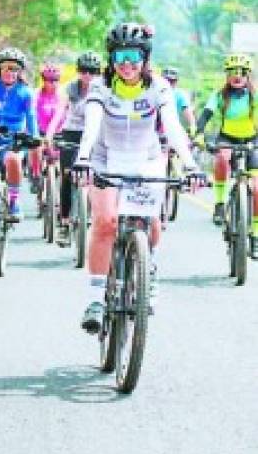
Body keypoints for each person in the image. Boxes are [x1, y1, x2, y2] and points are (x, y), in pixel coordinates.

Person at [75, 23, 199, 333]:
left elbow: (171, 126)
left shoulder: (159, 87)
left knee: (152, 223)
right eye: (119, 56)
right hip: (105, 159)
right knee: (105, 223)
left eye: (133, 56)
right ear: (111, 58)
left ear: (144, 57)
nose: (126, 63)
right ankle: (95, 299)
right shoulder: (101, 87)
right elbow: (91, 125)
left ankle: (147, 267)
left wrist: (191, 164)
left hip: (146, 160)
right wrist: (83, 158)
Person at [195, 53, 257, 247]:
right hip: (227, 137)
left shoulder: (254, 95)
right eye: (232, 72)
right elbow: (206, 115)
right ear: (227, 75)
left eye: (241, 72)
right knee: (222, 157)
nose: (237, 76)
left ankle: (255, 233)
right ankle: (220, 203)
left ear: (248, 75)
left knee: (256, 188)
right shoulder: (219, 95)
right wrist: (198, 133)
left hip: (251, 139)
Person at [46, 52, 102, 246]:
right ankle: (64, 221)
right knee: (68, 176)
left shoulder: (103, 88)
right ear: (78, 72)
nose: (88, 75)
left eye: (93, 71)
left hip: (94, 135)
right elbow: (60, 112)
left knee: (99, 177)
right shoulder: (70, 88)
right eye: (84, 71)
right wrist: (50, 133)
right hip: (71, 133)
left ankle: (98, 218)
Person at [0, 47, 37, 221]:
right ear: (0, 68)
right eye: (6, 67)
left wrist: (34, 136)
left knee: (13, 159)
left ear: (20, 71)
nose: (10, 72)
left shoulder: (25, 93)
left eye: (15, 68)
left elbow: (31, 118)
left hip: (13, 139)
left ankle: (14, 201)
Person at [28, 62, 65, 193]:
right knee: (35, 147)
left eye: (56, 80)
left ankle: (61, 192)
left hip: (57, 132)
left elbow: (57, 117)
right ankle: (36, 175)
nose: (53, 83)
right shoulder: (36, 94)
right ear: (44, 80)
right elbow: (31, 114)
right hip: (40, 130)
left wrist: (50, 136)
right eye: (49, 80)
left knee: (62, 163)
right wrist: (35, 134)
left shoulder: (61, 95)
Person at [161, 66, 196, 135]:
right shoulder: (155, 93)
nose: (168, 83)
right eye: (166, 80)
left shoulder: (179, 94)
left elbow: (187, 111)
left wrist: (193, 126)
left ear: (176, 81)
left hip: (172, 129)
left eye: (172, 81)